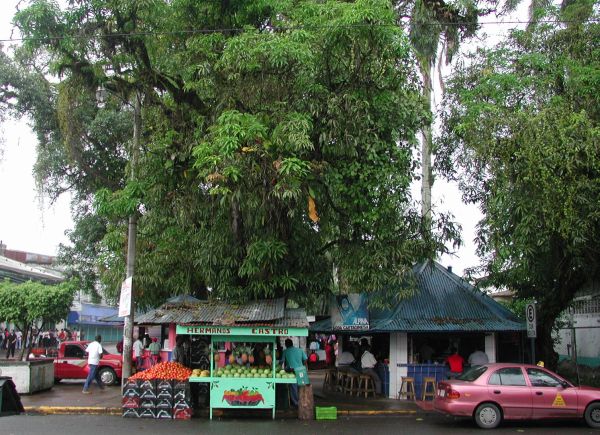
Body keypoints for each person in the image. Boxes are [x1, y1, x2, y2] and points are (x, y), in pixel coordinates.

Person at [281, 338, 307, 407]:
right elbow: (305, 360)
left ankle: (296, 403)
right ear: (292, 343)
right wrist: (302, 366)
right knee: (302, 385)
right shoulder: (300, 350)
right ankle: (303, 401)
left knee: (293, 387)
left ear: (286, 345)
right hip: (301, 369)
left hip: (292, 370)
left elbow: (282, 361)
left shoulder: (285, 351)